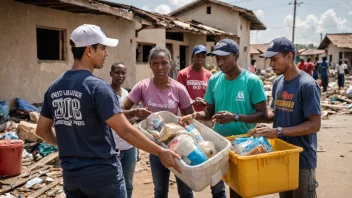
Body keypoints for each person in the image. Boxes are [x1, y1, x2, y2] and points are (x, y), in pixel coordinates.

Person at [35, 24, 181, 198]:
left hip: (71, 176)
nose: (106, 53)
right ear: (89, 50)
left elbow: (41, 130)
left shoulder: (55, 87)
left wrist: (66, 146)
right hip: (102, 177)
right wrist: (160, 151)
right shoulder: (97, 87)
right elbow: (125, 130)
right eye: (103, 48)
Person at [180, 38, 268, 198]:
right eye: (217, 58)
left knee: (240, 189)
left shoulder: (252, 81)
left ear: (235, 56)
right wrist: (193, 115)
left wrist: (234, 117)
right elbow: (208, 113)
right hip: (220, 145)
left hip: (245, 144)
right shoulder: (214, 80)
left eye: (224, 57)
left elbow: (262, 114)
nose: (220, 62)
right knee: (218, 187)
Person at [121, 46, 196, 198]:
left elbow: (191, 116)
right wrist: (135, 113)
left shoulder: (178, 89)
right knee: (160, 191)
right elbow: (122, 111)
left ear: (171, 64)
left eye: (164, 63)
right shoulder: (143, 86)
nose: (160, 67)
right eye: (155, 63)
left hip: (178, 147)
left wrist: (185, 122)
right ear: (150, 65)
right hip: (155, 147)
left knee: (186, 191)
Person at [254, 37, 321, 198]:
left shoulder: (307, 85)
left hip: (302, 159)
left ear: (289, 57)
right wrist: (247, 119)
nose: (271, 64)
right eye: (270, 60)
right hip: (282, 155)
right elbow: (275, 113)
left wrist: (278, 131)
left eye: (274, 59)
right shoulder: (278, 83)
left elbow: (314, 125)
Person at [110, 62, 137, 198]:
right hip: (113, 148)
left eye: (123, 73)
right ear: (111, 74)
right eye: (117, 72)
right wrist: (133, 113)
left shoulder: (126, 94)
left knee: (129, 185)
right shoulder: (106, 93)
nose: (120, 76)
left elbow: (128, 120)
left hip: (129, 147)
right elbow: (115, 116)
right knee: (114, 185)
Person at [176, 45, 212, 112]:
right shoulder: (183, 74)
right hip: (187, 114)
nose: (200, 59)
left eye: (203, 56)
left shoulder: (209, 75)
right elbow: (178, 96)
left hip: (204, 115)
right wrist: (193, 101)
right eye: (198, 56)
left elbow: (211, 97)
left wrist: (205, 102)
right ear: (192, 57)